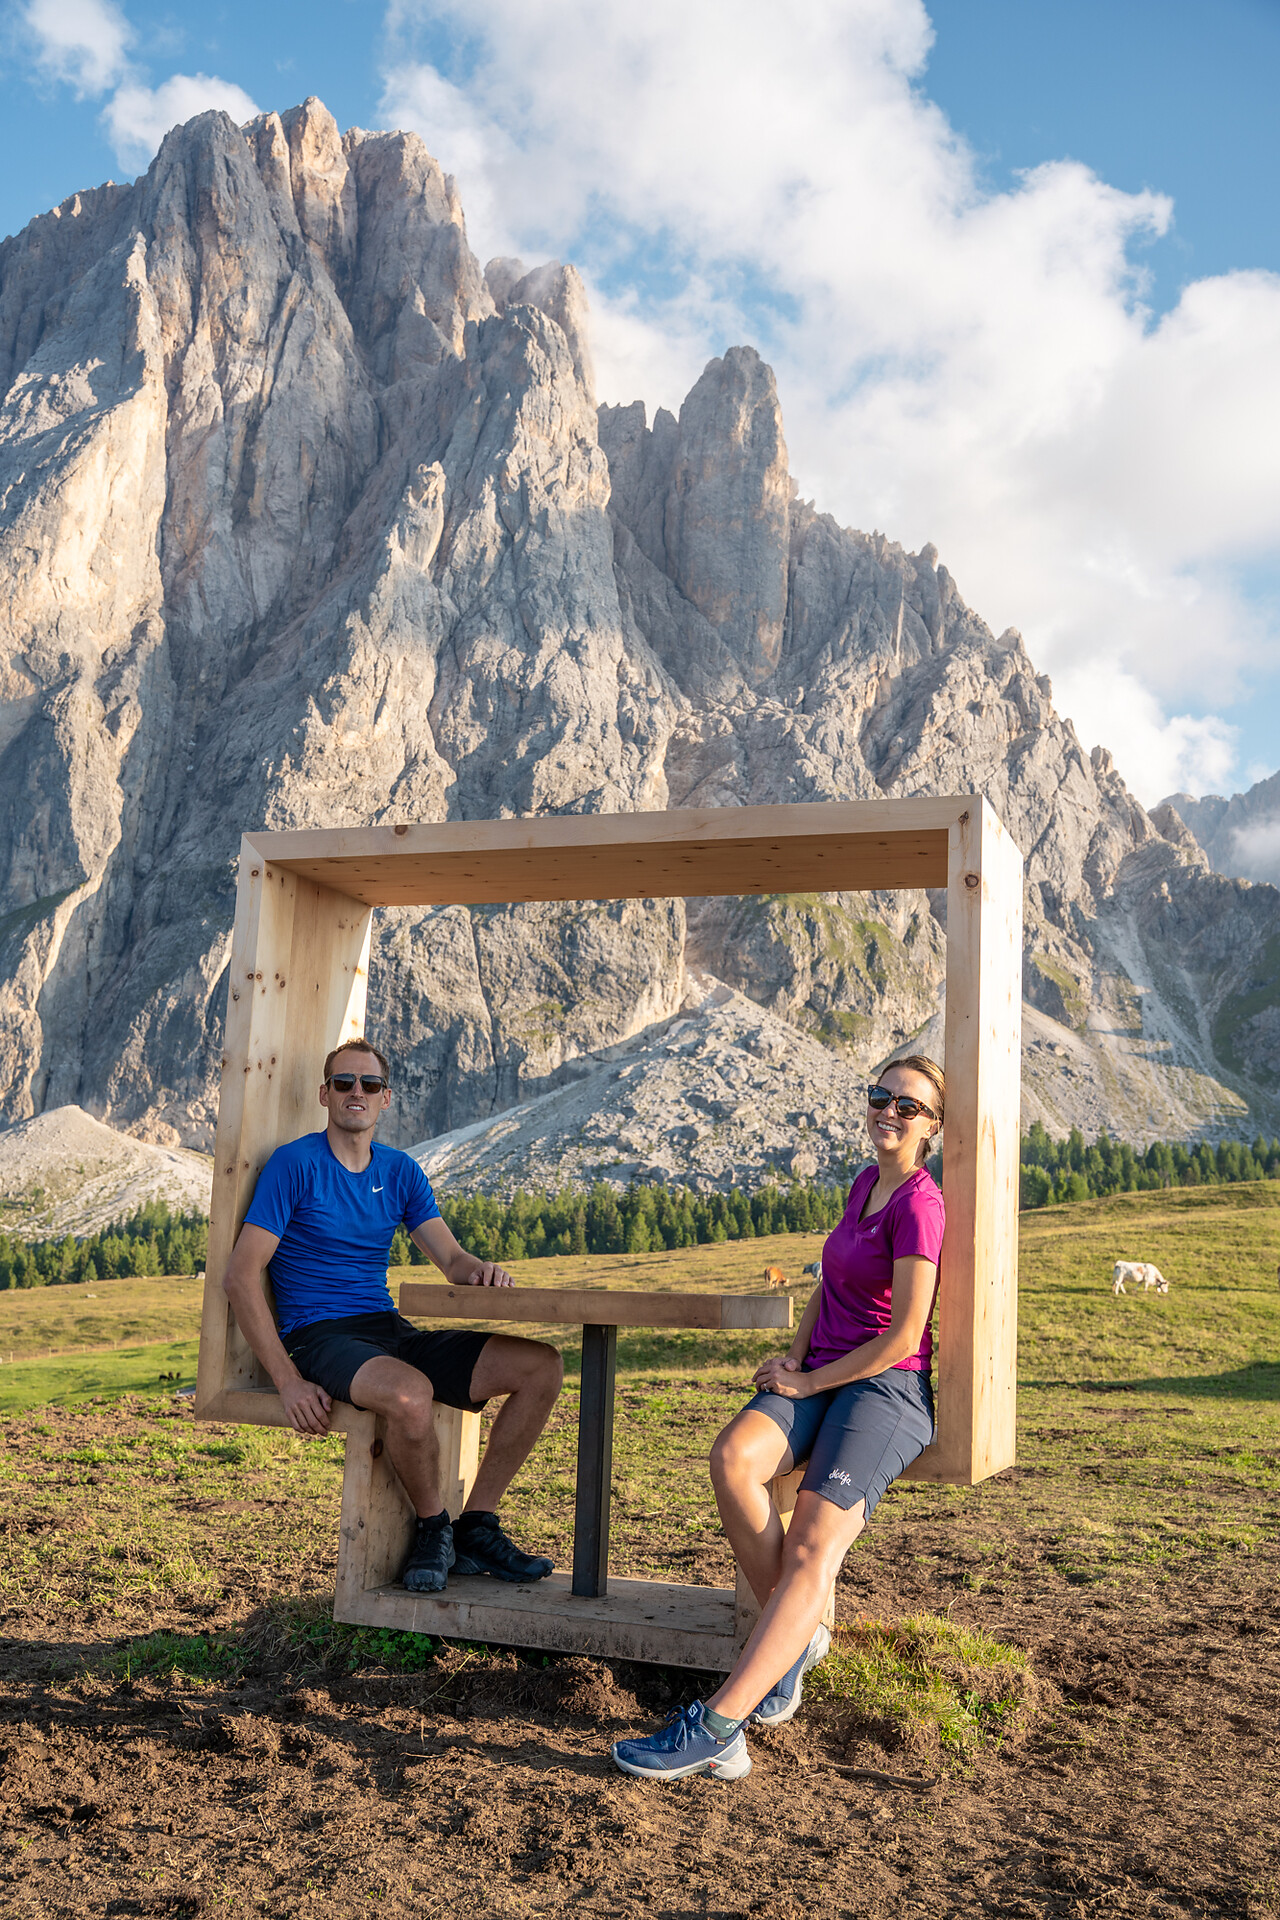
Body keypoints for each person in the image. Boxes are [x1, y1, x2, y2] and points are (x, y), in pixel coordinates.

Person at [612, 1055, 945, 1782]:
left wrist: (815, 1380)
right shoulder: (865, 1184)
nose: (889, 1112)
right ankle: (794, 1641)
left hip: (885, 1391)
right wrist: (796, 1365)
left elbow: (901, 1334)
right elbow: (831, 1289)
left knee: (811, 1550)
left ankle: (719, 1727)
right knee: (733, 1457)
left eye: (908, 1106)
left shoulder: (920, 1203)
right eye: (880, 1097)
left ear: (932, 1128)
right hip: (822, 1376)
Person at [222, 1037, 563, 1595]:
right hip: (320, 1336)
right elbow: (241, 1276)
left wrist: (481, 1270)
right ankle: (434, 1531)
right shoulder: (295, 1164)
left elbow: (451, 1259)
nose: (357, 1092)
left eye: (370, 1084)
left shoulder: (401, 1171)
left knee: (540, 1367)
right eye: (344, 1083)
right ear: (325, 1095)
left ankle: (475, 1526)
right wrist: (287, 1380)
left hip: (386, 1329)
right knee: (409, 1394)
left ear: (386, 1100)